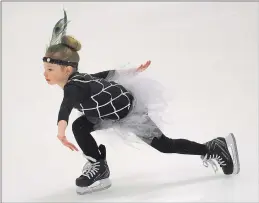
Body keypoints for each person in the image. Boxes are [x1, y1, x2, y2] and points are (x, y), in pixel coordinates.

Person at [43, 11, 240, 195]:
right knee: (80, 125)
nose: (45, 74)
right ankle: (99, 166)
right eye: (45, 68)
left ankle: (213, 147)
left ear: (67, 70)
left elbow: (66, 107)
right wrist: (133, 71)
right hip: (109, 113)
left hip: (129, 113)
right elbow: (106, 75)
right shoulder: (79, 78)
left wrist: (61, 131)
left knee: (165, 145)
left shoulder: (73, 87)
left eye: (50, 69)